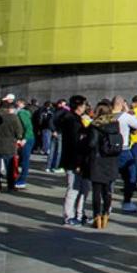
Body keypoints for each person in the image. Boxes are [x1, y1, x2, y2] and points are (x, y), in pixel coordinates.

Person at [84, 102, 122, 229]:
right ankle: (106, 215)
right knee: (107, 191)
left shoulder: (95, 125)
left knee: (96, 191)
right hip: (111, 160)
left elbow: (91, 144)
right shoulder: (115, 124)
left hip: (98, 160)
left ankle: (97, 217)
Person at [58, 95, 90, 225]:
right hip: (74, 159)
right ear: (79, 106)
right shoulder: (73, 121)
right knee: (74, 188)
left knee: (83, 188)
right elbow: (76, 143)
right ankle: (69, 215)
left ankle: (79, 213)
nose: (85, 107)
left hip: (76, 158)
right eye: (83, 105)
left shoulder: (73, 119)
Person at [113, 96, 137, 213]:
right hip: (124, 149)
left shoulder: (107, 116)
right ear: (122, 104)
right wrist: (128, 112)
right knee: (131, 175)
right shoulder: (125, 117)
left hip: (109, 150)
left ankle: (107, 201)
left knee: (111, 176)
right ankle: (127, 201)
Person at [0, 102, 23, 193]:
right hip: (9, 145)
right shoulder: (13, 118)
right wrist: (19, 138)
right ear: (9, 109)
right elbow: (19, 131)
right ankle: (10, 185)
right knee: (10, 167)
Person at [14, 100, 36, 189]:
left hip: (26, 138)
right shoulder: (24, 112)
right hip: (27, 138)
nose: (17, 104)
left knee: (24, 160)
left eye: (18, 102)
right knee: (23, 159)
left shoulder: (22, 113)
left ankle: (22, 180)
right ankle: (21, 179)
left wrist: (24, 139)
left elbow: (28, 126)